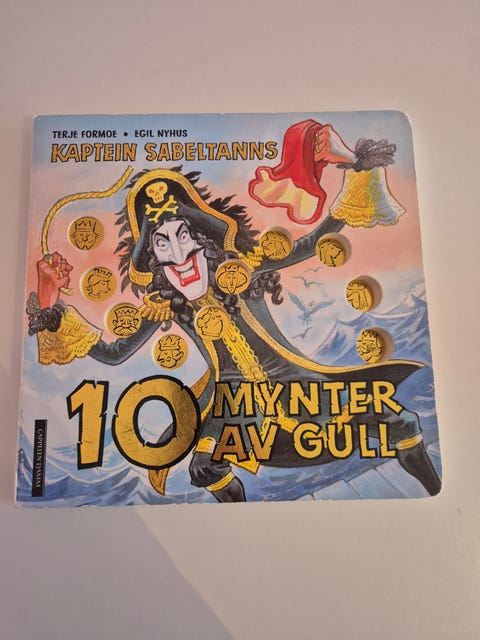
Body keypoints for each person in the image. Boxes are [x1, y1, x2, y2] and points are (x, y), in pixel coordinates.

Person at [29, 122, 441, 501]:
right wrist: (49, 303)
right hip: (231, 404)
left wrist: (357, 164)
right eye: (162, 244)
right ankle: (242, 529)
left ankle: (435, 494)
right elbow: (112, 353)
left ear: (203, 239)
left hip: (298, 384)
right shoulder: (165, 307)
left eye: (184, 236)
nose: (179, 255)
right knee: (204, 467)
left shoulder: (247, 269)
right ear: (152, 259)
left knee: (397, 420)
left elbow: (315, 241)